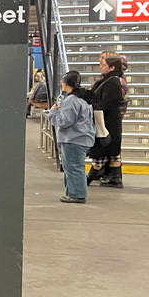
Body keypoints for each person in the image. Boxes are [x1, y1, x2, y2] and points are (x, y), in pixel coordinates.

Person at [47, 70, 96, 204]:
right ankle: (73, 192)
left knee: (73, 167)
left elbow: (64, 121)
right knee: (74, 166)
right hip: (82, 138)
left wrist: (52, 112)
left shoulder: (71, 100)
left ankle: (77, 194)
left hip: (73, 139)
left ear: (64, 84)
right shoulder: (82, 99)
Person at [88, 52, 129, 187]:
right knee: (113, 152)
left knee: (101, 151)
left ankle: (88, 178)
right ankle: (115, 178)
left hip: (107, 121)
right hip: (111, 121)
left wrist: (92, 107)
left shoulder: (112, 82)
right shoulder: (111, 80)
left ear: (112, 67)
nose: (101, 66)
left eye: (104, 64)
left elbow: (106, 102)